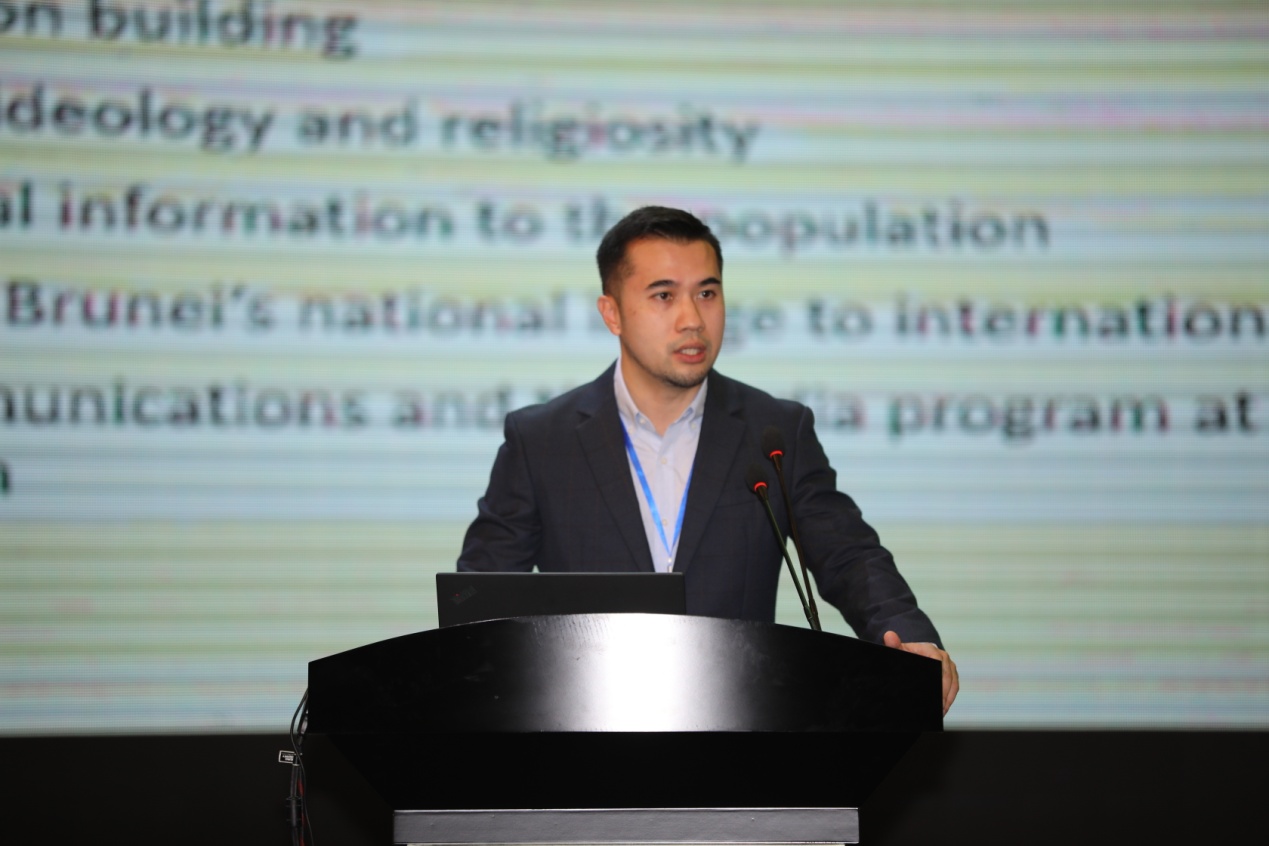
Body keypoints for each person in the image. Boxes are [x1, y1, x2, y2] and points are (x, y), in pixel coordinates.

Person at [458, 206, 958, 714]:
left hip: (738, 727)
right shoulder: (542, 440)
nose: (693, 319)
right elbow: (481, 598)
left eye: (707, 293)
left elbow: (848, 555)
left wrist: (909, 636)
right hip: (584, 725)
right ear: (612, 313)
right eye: (664, 296)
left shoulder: (774, 432)